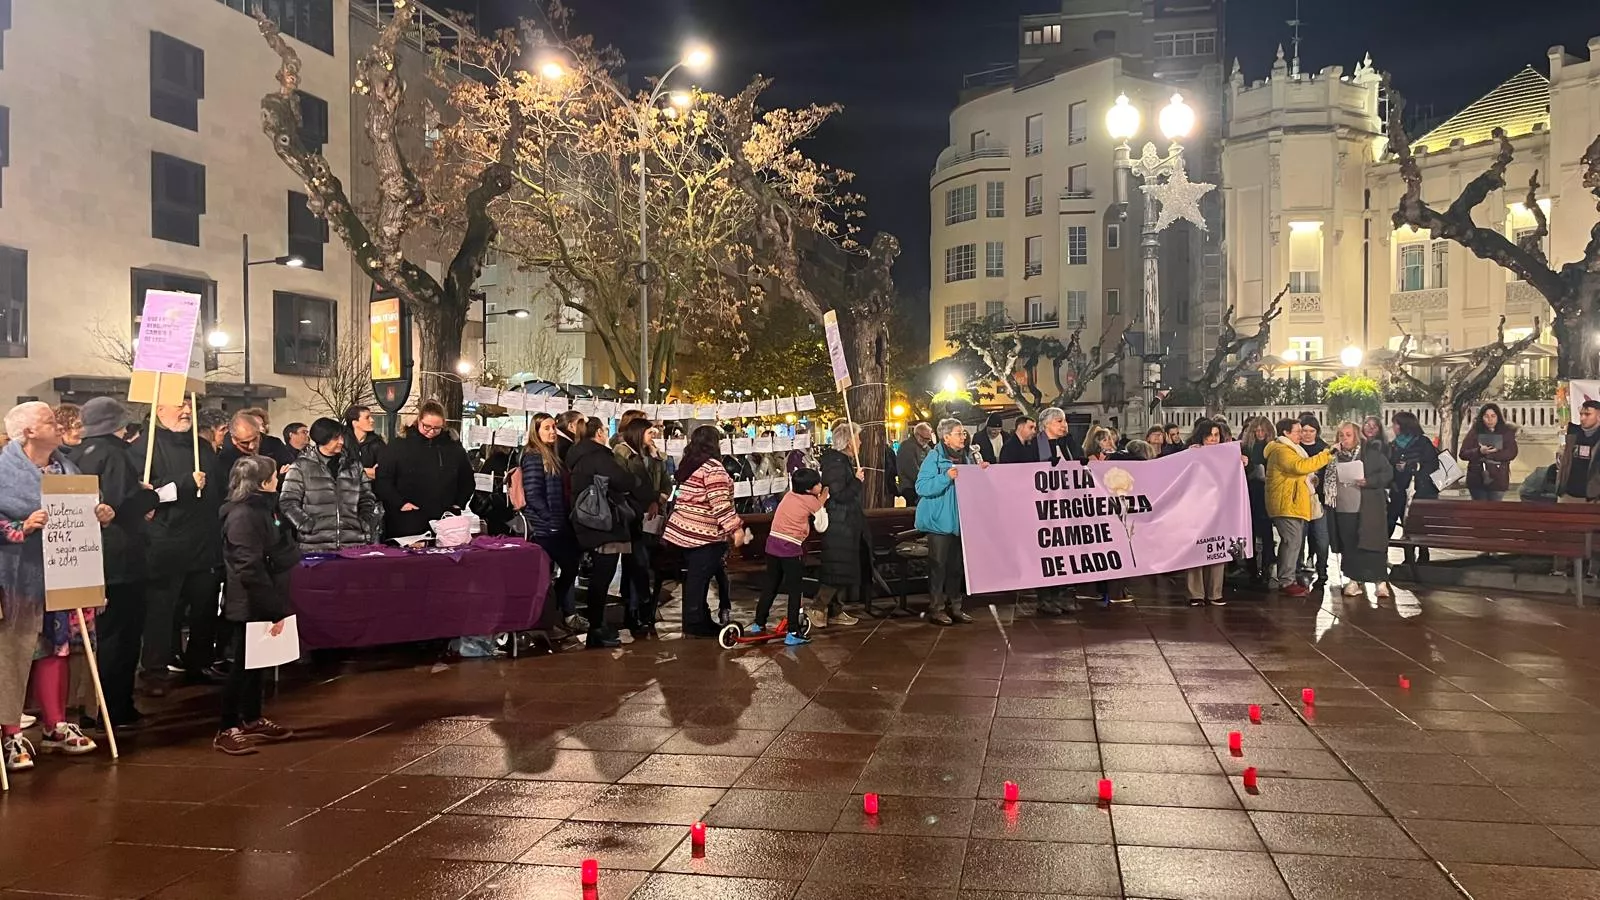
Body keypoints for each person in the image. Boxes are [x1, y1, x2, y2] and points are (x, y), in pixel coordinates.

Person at [0, 403, 116, 771]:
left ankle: (55, 723)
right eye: (49, 420)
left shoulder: (68, 467)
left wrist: (99, 513)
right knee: (15, 653)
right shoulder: (4, 472)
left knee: (59, 647)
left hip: (63, 572)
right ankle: (11, 731)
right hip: (17, 577)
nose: (58, 423)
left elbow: (81, 510)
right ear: (28, 432)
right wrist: (18, 528)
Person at [72, 399, 158, 732]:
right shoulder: (117, 454)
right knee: (122, 635)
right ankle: (115, 706)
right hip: (122, 557)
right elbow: (120, 502)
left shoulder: (74, 455)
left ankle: (90, 705)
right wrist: (148, 496)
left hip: (89, 556)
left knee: (97, 635)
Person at [129, 396, 224, 691]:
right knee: (161, 611)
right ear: (159, 408)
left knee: (204, 608)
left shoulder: (201, 447)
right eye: (179, 405)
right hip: (165, 542)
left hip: (203, 542)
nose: (186, 411)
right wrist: (183, 484)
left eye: (189, 405)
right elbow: (144, 491)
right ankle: (154, 671)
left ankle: (199, 661)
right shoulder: (144, 447)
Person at [214, 455, 299, 755]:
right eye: (274, 476)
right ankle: (227, 726)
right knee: (241, 664)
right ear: (263, 482)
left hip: (263, 594)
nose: (278, 479)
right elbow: (248, 565)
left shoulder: (263, 509)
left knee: (257, 662)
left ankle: (251, 717)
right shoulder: (242, 515)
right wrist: (274, 606)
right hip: (249, 599)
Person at [570, 417, 655, 647]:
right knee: (602, 577)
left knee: (598, 576)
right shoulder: (599, 456)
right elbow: (623, 480)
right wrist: (637, 481)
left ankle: (597, 627)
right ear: (598, 433)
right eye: (606, 429)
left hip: (586, 519)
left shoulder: (577, 455)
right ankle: (596, 629)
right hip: (604, 523)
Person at [665, 425, 746, 638]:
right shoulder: (713, 468)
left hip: (683, 531)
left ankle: (699, 618)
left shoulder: (690, 464)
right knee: (698, 578)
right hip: (703, 533)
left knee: (696, 577)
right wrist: (735, 529)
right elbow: (720, 504)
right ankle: (695, 622)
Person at [515, 413, 586, 633]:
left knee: (565, 568)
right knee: (559, 570)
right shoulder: (534, 456)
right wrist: (549, 518)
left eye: (553, 427)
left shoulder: (550, 455)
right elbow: (534, 494)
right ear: (535, 431)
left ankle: (551, 617)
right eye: (546, 428)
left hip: (556, 523)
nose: (552, 431)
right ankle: (547, 619)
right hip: (547, 527)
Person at [372, 400, 475, 539]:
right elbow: (383, 480)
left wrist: (459, 503)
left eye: (436, 428)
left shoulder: (453, 447)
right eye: (426, 426)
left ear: (443, 425)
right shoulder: (399, 445)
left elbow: (467, 479)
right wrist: (400, 503)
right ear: (418, 420)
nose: (431, 432)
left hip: (445, 520)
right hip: (406, 519)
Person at [916, 418, 984, 625]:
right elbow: (922, 487)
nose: (963, 437)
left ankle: (956, 607)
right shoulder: (934, 458)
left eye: (963, 433)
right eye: (958, 433)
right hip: (939, 522)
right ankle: (936, 608)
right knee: (939, 567)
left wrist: (982, 472)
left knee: (956, 568)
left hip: (961, 521)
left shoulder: (969, 457)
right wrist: (946, 477)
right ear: (946, 437)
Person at [749, 468, 828, 644]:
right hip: (790, 549)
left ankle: (758, 623)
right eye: (817, 484)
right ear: (809, 489)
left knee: (771, 585)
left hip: (772, 546)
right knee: (795, 591)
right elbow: (822, 526)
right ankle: (793, 632)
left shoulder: (789, 496)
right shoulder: (811, 501)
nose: (820, 485)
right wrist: (821, 504)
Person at [278, 418, 380, 553]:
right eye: (335, 438)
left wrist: (364, 523)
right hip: (314, 547)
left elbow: (367, 498)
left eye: (342, 437)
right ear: (322, 438)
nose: (341, 442)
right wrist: (307, 525)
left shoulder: (354, 466)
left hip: (353, 545)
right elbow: (288, 502)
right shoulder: (301, 467)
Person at [1265, 417, 1334, 597]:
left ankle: (1286, 578)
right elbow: (1299, 466)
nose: (1301, 434)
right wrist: (1327, 454)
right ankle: (1287, 581)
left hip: (1292, 502)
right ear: (1286, 433)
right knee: (1292, 541)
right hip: (1286, 503)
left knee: (1292, 542)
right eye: (1297, 431)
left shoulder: (1291, 448)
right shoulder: (1282, 451)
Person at [1329, 421, 1395, 599]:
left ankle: (1380, 581)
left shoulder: (1372, 454)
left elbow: (1388, 473)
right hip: (1345, 506)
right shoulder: (1333, 455)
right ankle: (1353, 579)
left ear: (1356, 436)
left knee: (1373, 543)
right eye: (1341, 435)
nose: (1344, 438)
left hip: (1369, 506)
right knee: (1350, 544)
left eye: (1348, 435)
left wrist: (1370, 481)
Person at [813, 422, 868, 629]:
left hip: (846, 522)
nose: (861, 442)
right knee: (837, 567)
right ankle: (818, 607)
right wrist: (856, 481)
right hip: (839, 523)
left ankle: (835, 609)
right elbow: (839, 494)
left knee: (842, 567)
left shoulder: (841, 461)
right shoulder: (836, 463)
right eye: (857, 438)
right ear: (848, 442)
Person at [614, 417, 665, 635]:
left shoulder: (653, 456)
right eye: (649, 433)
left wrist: (659, 499)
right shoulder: (623, 454)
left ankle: (641, 608)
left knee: (643, 563)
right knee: (637, 563)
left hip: (652, 517)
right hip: (633, 515)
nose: (653, 437)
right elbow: (629, 483)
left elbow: (666, 481)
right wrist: (649, 500)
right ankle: (636, 609)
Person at [1183, 419, 1229, 607]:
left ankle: (1215, 593)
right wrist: (1189, 455)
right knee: (1196, 549)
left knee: (1217, 548)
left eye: (1216, 435)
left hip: (1219, 508)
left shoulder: (1227, 453)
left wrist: (1243, 462)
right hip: (1196, 508)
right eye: (1209, 435)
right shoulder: (1191, 452)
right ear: (1201, 436)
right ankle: (1196, 593)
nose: (1213, 439)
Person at [1387, 411, 1440, 552]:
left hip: (1420, 491)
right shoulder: (1393, 445)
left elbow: (1432, 465)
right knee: (1393, 521)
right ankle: (1395, 555)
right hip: (1399, 490)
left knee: (1418, 524)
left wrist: (1410, 466)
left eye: (1395, 424)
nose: (1393, 427)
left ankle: (1423, 556)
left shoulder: (1423, 442)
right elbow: (1389, 465)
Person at [1240, 416, 1276, 583]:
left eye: (1263, 430)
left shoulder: (1274, 447)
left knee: (1267, 532)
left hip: (1268, 492)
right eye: (1257, 431)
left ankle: (1267, 566)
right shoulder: (1245, 447)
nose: (1260, 433)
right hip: (1250, 492)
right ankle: (1252, 568)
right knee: (1251, 531)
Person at [1461, 403, 1519, 501]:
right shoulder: (1475, 431)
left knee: (1494, 510)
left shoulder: (1506, 432)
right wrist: (1479, 451)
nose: (1490, 419)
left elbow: (1512, 452)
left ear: (1498, 417)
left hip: (1498, 478)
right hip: (1477, 479)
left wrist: (1492, 454)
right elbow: (1463, 453)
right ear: (1481, 417)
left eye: (1493, 416)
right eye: (1486, 416)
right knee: (1479, 510)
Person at [1298, 414, 1331, 584]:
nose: (1307, 434)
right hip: (1299, 499)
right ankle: (1297, 568)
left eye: (1311, 431)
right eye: (1304, 430)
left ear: (1317, 432)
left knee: (1322, 538)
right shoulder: (1294, 448)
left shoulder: (1324, 448)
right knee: (1298, 538)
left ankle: (1322, 569)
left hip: (1319, 499)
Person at [1557, 400, 1600, 503]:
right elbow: (1562, 462)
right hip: (1568, 495)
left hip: (1594, 498)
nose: (1582, 418)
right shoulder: (1572, 434)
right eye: (1581, 414)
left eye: (1587, 414)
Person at [342, 405, 386, 481]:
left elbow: (384, 472)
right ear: (355, 423)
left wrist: (354, 471)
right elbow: (340, 471)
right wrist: (368, 472)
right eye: (367, 417)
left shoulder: (377, 443)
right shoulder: (342, 442)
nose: (372, 420)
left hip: (370, 490)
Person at [894, 422, 933, 506]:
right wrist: (927, 483)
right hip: (910, 488)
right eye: (925, 438)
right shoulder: (907, 447)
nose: (927, 441)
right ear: (917, 435)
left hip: (922, 486)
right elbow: (911, 470)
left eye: (929, 439)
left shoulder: (926, 448)